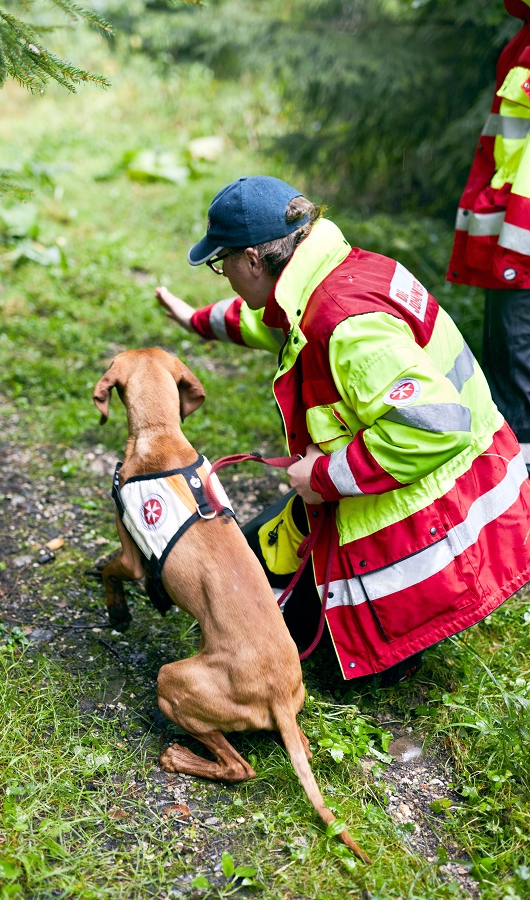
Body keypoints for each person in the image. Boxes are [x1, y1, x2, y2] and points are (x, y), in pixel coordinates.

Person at [156, 174, 530, 684]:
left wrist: (325, 477)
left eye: (222, 265)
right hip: (418, 489)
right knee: (243, 567)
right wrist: (195, 319)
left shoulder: (344, 322)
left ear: (251, 260)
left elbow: (438, 425)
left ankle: (404, 637)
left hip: (432, 527)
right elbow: (267, 320)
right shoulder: (334, 273)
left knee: (279, 642)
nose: (224, 277)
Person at [447, 0, 530, 471]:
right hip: (511, 241)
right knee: (506, 376)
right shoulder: (522, 42)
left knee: (519, 385)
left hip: (521, 246)